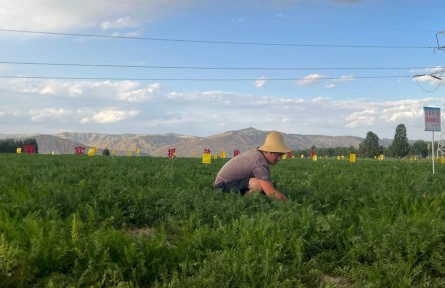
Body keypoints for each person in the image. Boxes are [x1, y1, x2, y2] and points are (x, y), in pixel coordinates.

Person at [213, 131, 290, 201]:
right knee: (260, 185)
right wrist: (291, 204)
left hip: (229, 184)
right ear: (268, 152)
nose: (279, 158)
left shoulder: (258, 154)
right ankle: (242, 203)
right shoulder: (259, 162)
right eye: (277, 154)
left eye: (281, 155)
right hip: (222, 187)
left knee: (267, 185)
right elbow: (271, 193)